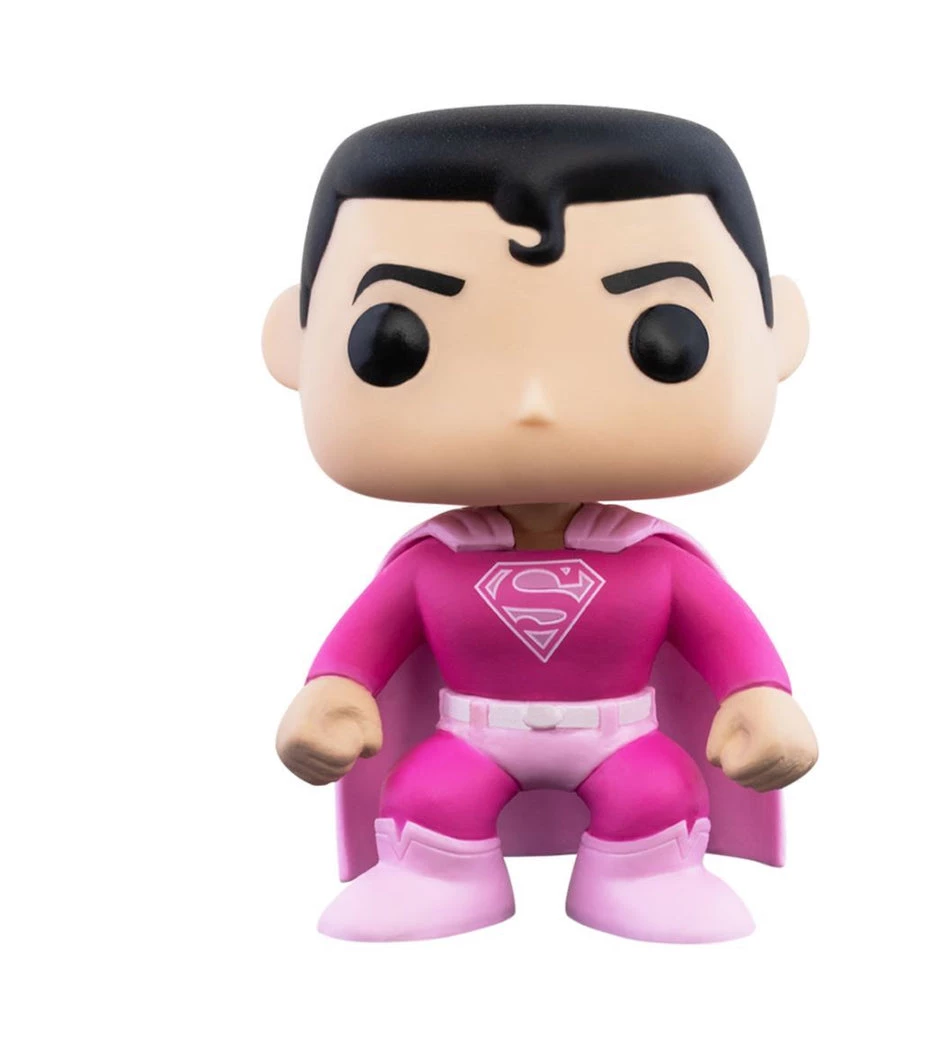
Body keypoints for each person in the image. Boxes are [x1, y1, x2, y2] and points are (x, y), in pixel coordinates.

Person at [262, 105, 818, 942]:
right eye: (397, 341)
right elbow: (361, 648)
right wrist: (332, 697)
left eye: (663, 336)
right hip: (471, 736)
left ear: (777, 334)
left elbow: (729, 642)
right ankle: (436, 875)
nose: (535, 403)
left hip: (622, 737)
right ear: (295, 345)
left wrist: (760, 700)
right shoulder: (433, 562)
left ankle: (646, 874)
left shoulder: (656, 560)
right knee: (429, 796)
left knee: (659, 794)